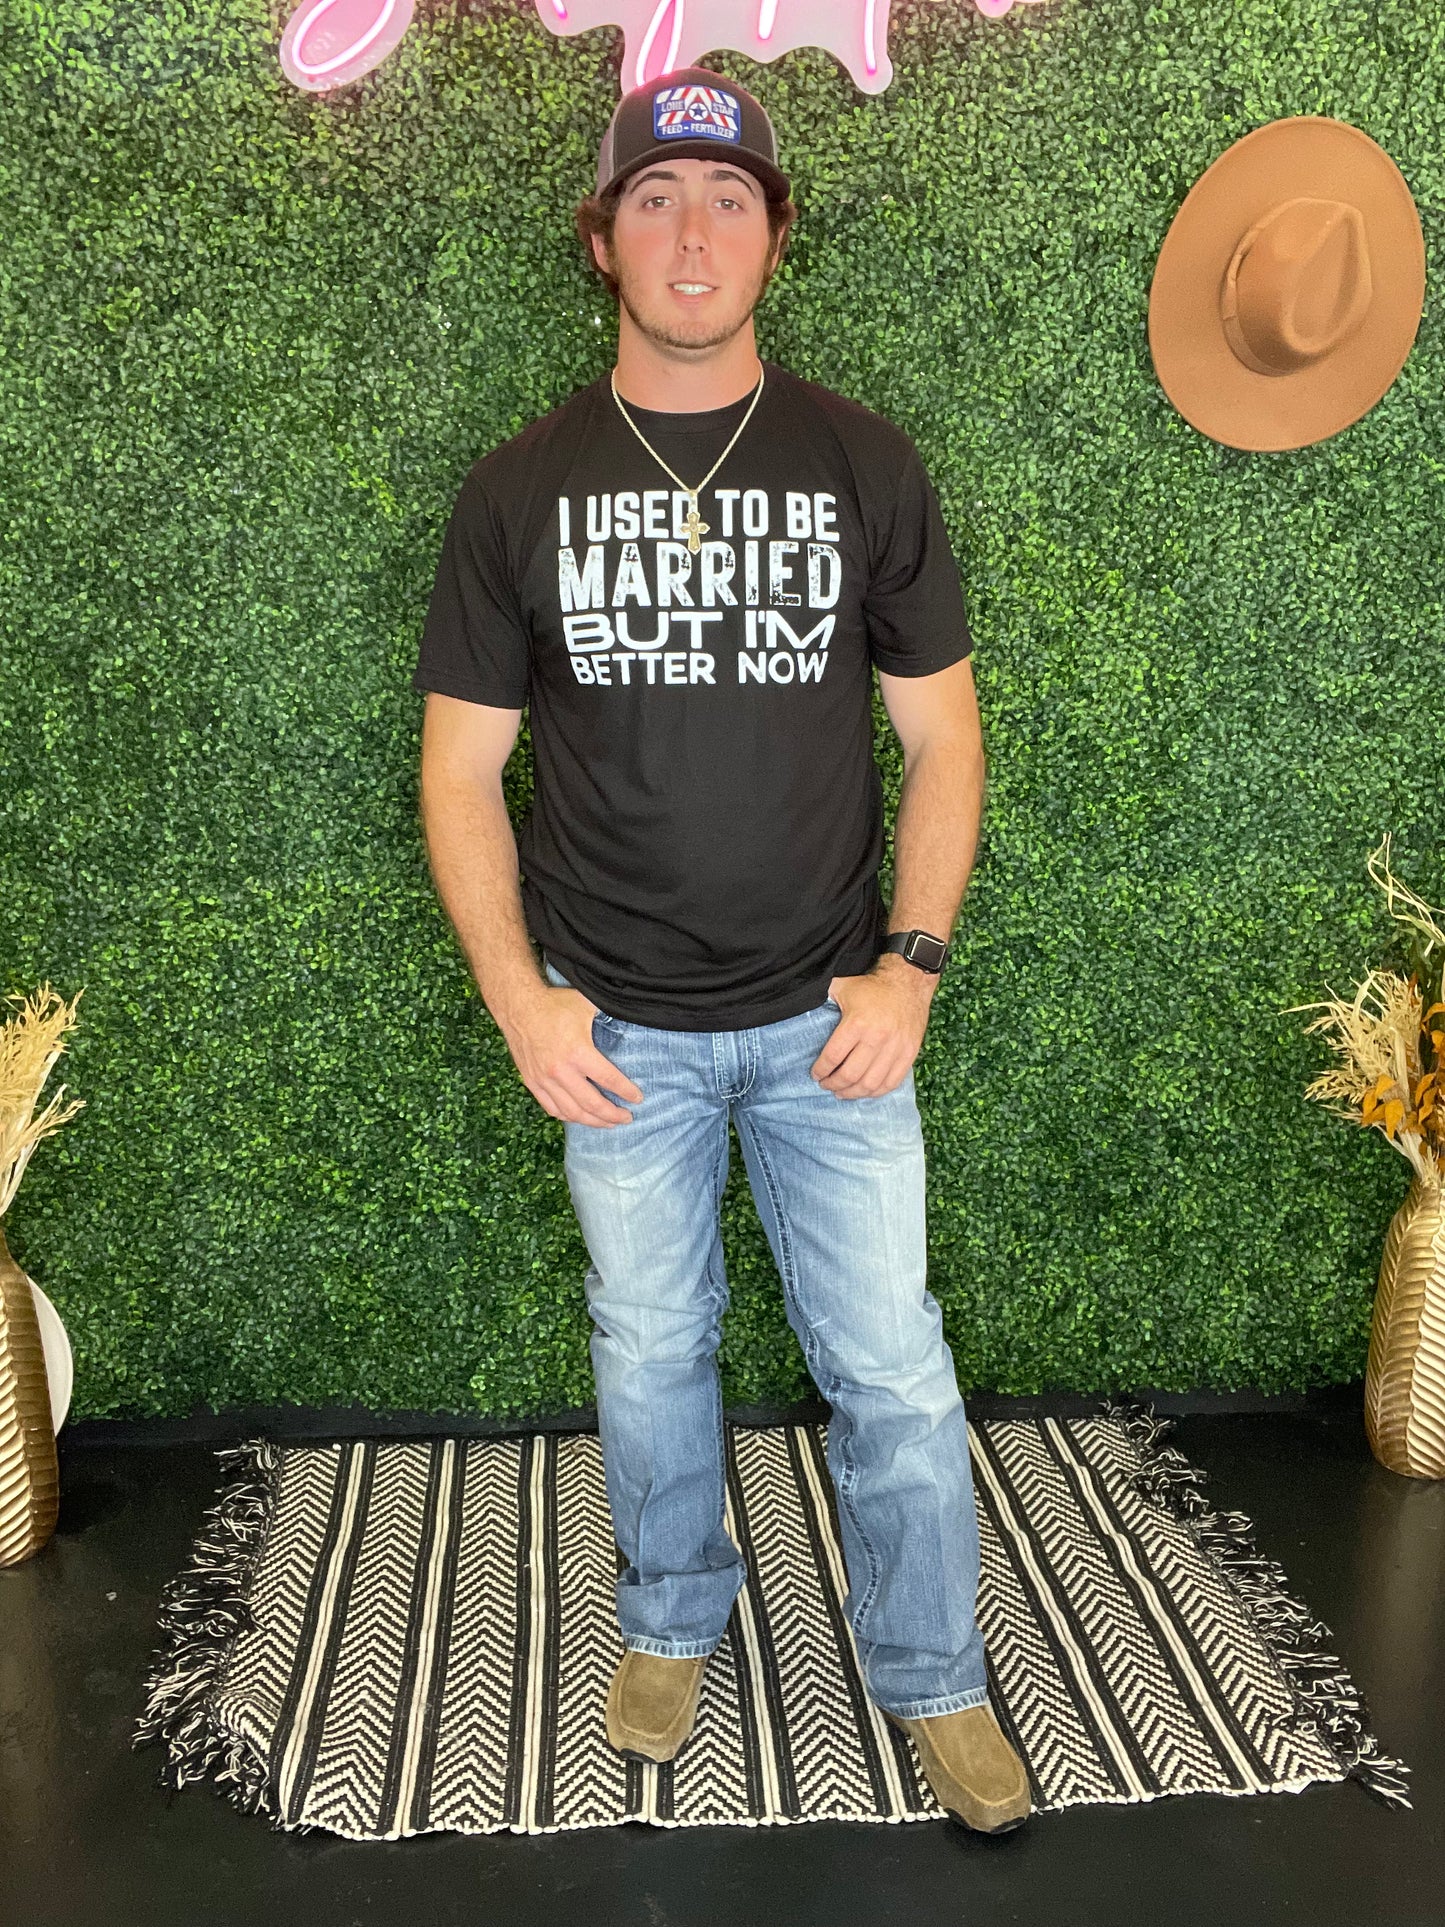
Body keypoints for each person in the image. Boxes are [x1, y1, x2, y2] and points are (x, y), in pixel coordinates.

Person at [411, 67, 1030, 1834]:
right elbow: (457, 771)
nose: (695, 234)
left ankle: (932, 1673)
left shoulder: (862, 463)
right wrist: (519, 999)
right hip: (615, 1030)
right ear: (602, 241)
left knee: (890, 1364)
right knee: (646, 1345)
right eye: (658, 200)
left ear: (772, 238)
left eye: (730, 200)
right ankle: (673, 1616)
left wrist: (912, 964)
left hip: (831, 1019)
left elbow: (945, 737)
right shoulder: (517, 491)